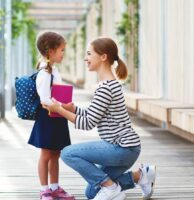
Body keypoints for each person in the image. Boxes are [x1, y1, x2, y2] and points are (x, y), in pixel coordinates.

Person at [43, 37, 156, 200]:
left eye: (89, 54)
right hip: (127, 148)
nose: (85, 58)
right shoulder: (111, 84)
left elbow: (87, 123)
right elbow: (95, 115)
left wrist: (59, 109)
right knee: (92, 192)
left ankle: (110, 187)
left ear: (103, 57)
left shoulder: (105, 88)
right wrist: (73, 108)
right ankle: (140, 176)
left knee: (67, 153)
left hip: (122, 148)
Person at [28, 31, 75, 200]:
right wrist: (64, 106)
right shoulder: (44, 73)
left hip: (57, 117)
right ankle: (44, 190)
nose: (63, 53)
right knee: (46, 155)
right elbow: (44, 100)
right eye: (62, 50)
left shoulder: (54, 71)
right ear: (51, 51)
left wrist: (65, 106)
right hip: (47, 118)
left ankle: (55, 188)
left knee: (56, 153)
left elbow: (56, 94)